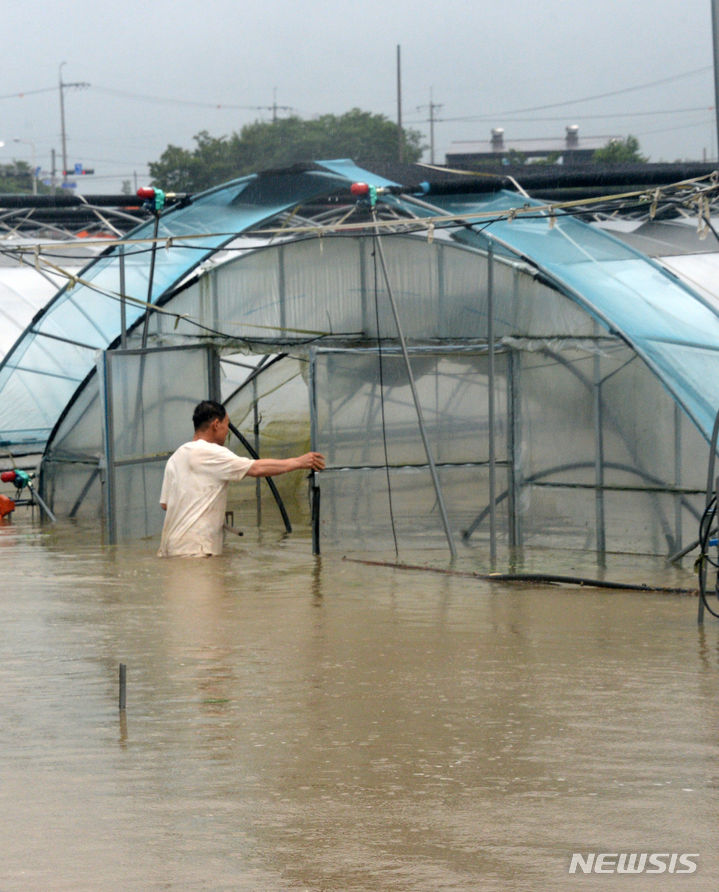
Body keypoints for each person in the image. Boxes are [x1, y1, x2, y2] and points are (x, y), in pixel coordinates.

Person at [158, 399, 325, 557]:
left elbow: (166, 504)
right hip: (197, 551)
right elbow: (257, 468)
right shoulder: (212, 452)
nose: (227, 431)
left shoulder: (176, 457)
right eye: (226, 425)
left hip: (169, 548)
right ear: (216, 424)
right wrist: (298, 461)